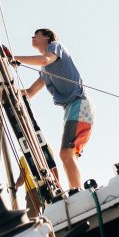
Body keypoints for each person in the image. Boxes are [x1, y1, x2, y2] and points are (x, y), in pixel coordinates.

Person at [10, 28, 94, 193]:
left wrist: (15, 58)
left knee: (66, 154)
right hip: (71, 110)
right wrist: (7, 89)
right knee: (68, 156)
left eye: (37, 34)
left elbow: (45, 59)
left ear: (47, 37)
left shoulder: (55, 47)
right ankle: (77, 192)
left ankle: (77, 192)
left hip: (79, 105)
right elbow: (29, 93)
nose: (32, 36)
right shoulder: (44, 71)